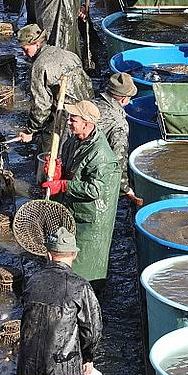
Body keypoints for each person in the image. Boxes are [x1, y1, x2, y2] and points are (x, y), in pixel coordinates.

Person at [42, 101, 121, 288]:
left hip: (90, 219)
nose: (69, 122)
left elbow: (95, 189)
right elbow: (70, 167)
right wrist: (58, 170)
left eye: (73, 120)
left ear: (87, 123)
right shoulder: (73, 140)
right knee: (66, 258)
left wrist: (62, 185)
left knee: (85, 268)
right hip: (72, 209)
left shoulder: (102, 155)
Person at [17, 226, 102, 375]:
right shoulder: (81, 286)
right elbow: (92, 331)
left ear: (48, 255)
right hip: (63, 369)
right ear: (75, 254)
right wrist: (88, 357)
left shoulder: (32, 281)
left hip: (27, 368)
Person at [16, 23, 94, 154]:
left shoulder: (39, 66)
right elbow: (87, 83)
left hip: (63, 113)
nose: (24, 54)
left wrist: (30, 130)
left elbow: (42, 106)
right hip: (86, 109)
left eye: (25, 49)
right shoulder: (68, 54)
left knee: (48, 154)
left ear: (36, 44)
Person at [95, 72, 142, 205]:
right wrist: (125, 188)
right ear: (123, 99)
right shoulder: (119, 124)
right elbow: (119, 159)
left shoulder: (92, 105)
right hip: (97, 177)